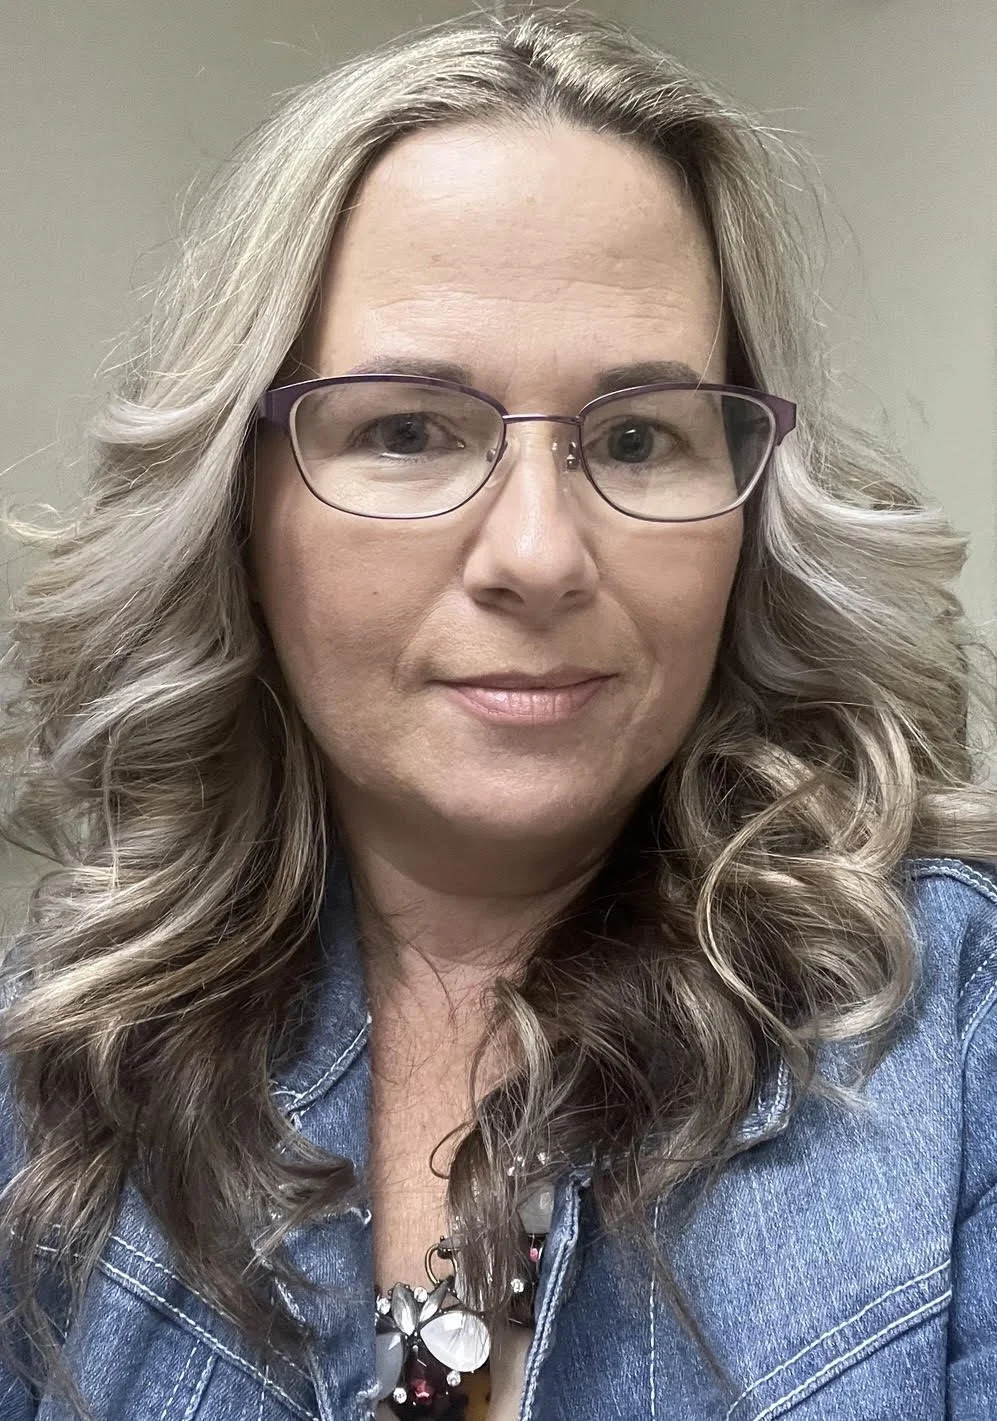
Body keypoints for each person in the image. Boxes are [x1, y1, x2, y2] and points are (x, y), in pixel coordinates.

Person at [1, 6, 995, 1419]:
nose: (535, 554)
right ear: (240, 500)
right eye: (407, 429)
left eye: (640, 437)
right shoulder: (55, 1085)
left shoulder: (959, 1027)